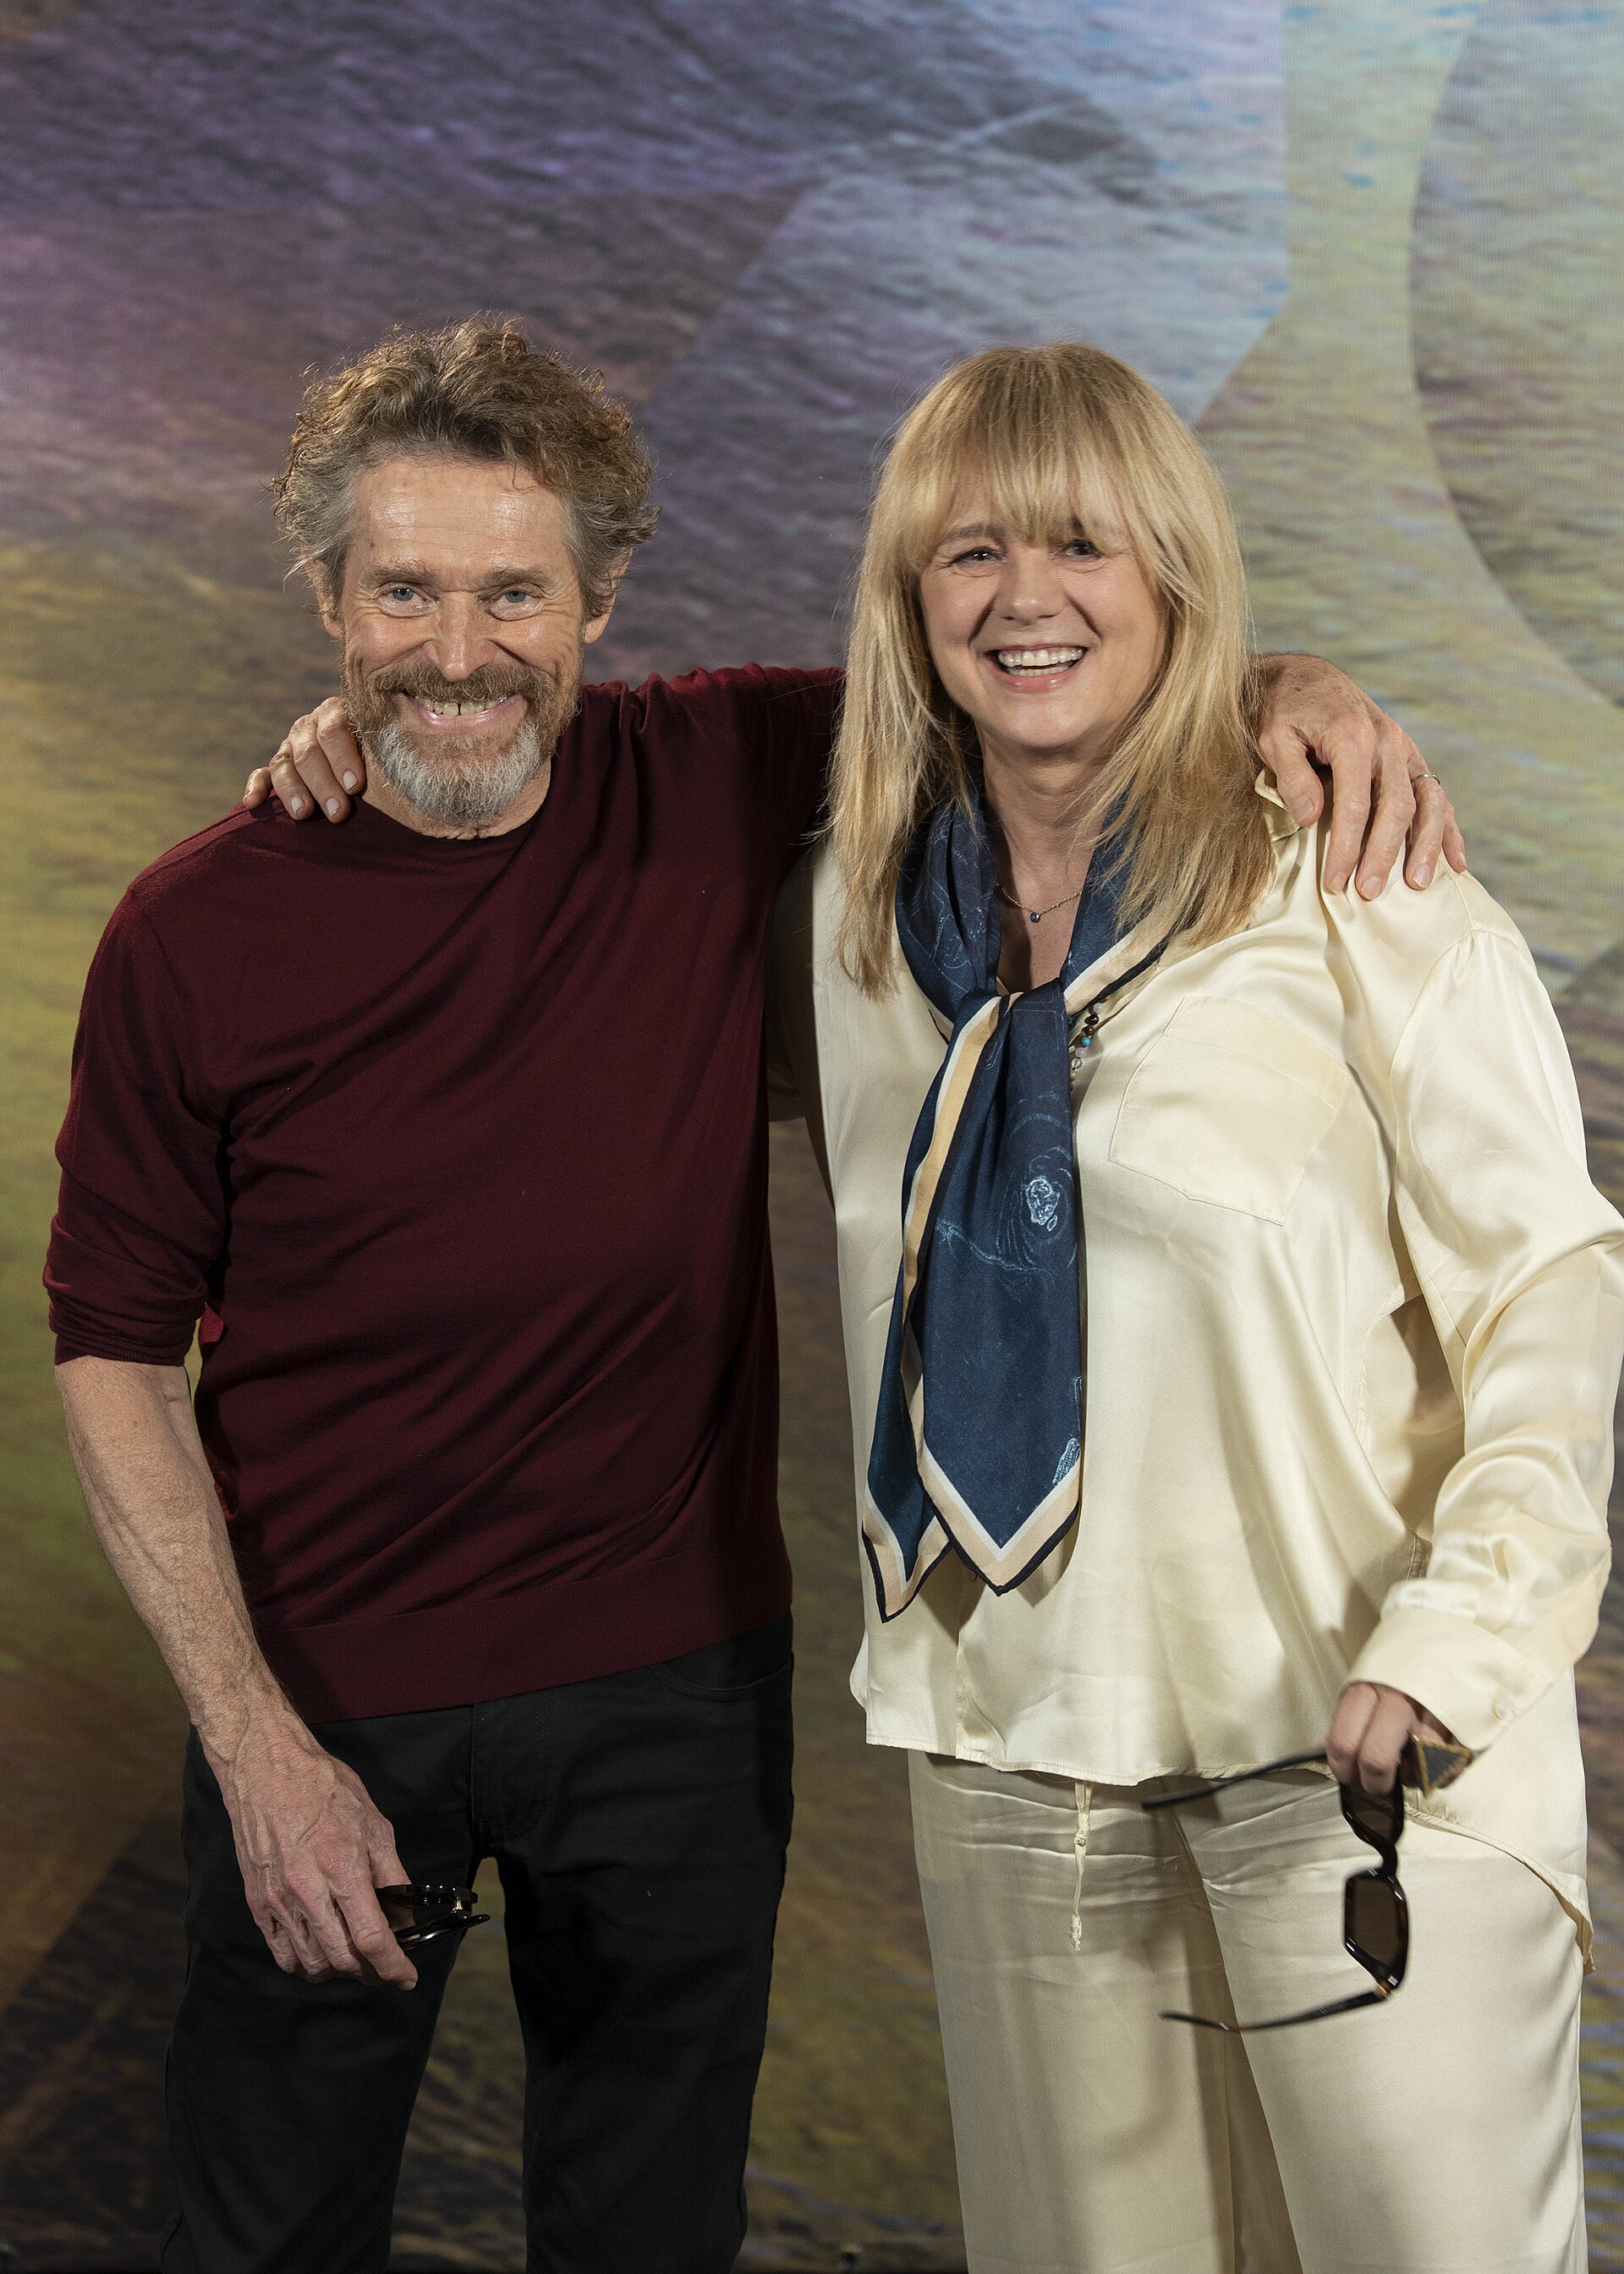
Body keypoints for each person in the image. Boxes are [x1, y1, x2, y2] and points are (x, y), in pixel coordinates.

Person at [52, 316, 1457, 2274]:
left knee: (646, 2225)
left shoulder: (726, 776)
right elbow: (115, 1349)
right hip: (339, 1723)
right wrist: (255, 1748)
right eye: (405, 592)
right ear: (325, 595)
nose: (457, 652)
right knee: (276, 2223)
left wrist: (1295, 687)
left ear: (599, 600)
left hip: (665, 1708)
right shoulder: (200, 931)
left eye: (513, 592)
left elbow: (1047, 684)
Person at [764, 341, 1624, 2273]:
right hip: (1014, 1759)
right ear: (912, 597)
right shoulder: (859, 924)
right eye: (967, 551)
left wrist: (1464, 1637)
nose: (1024, 597)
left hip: (1356, 1750)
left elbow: (1551, 1301)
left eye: (1086, 544)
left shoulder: (1358, 875)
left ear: (1180, 575)